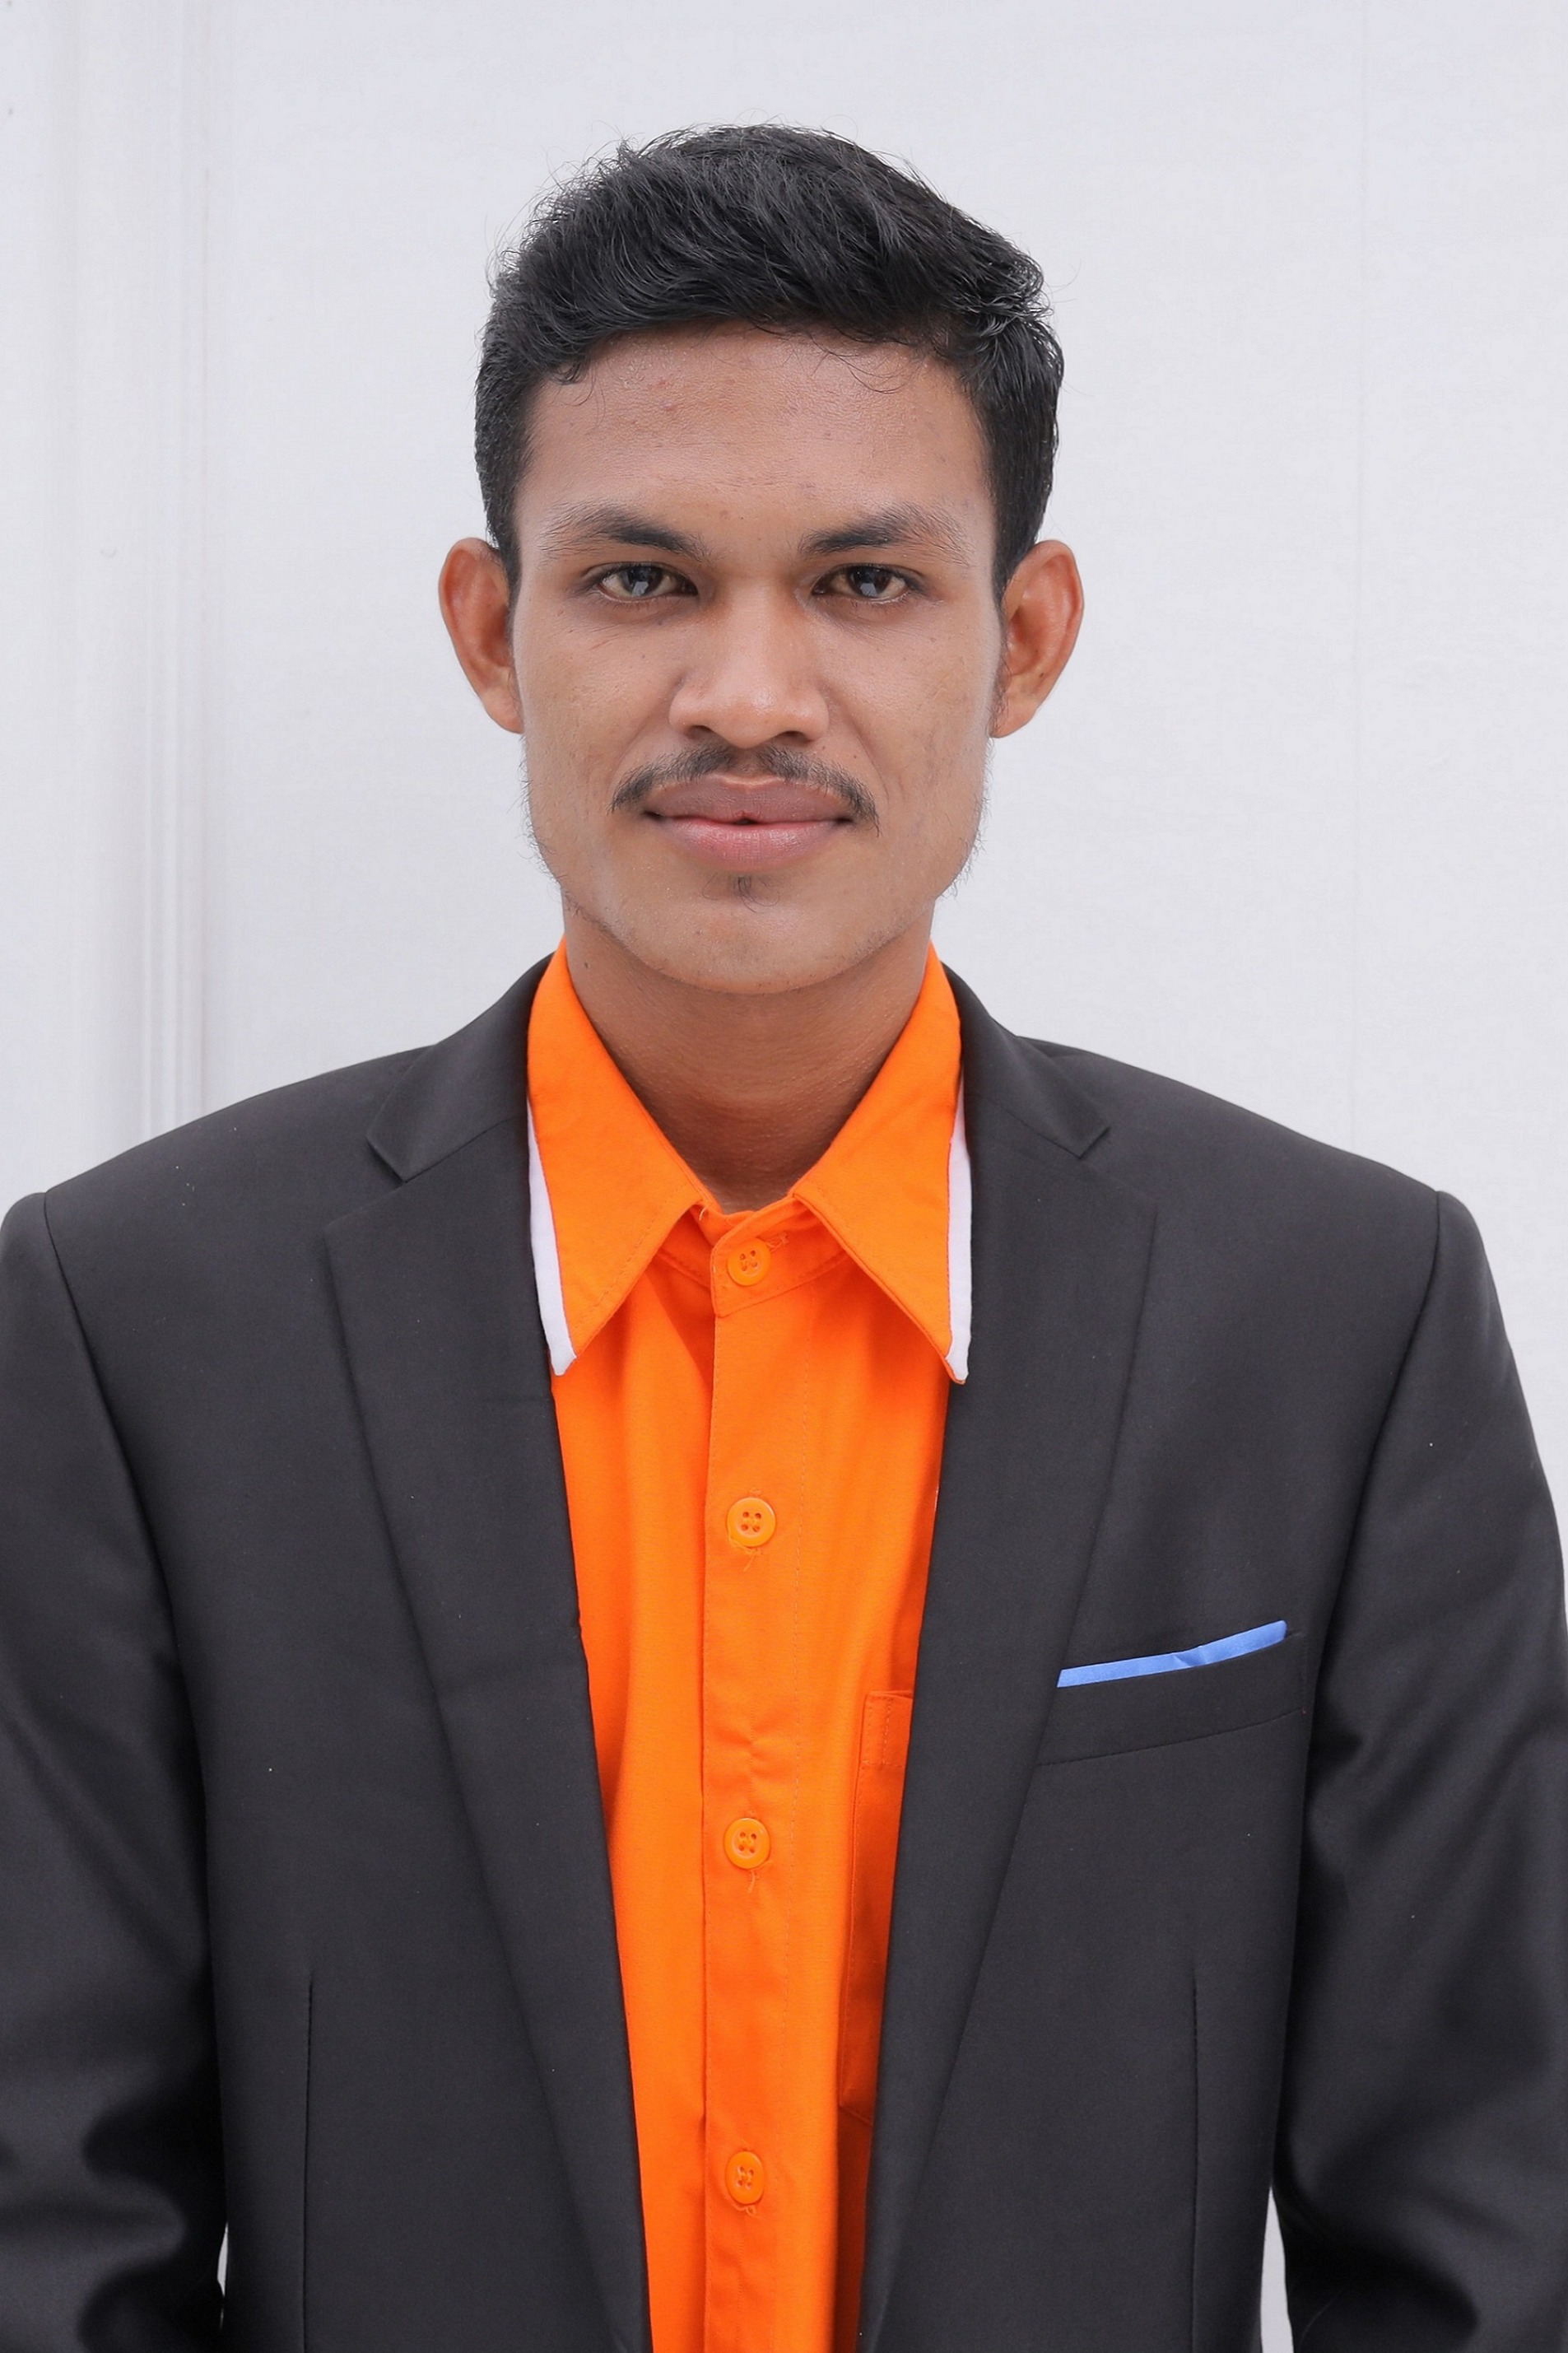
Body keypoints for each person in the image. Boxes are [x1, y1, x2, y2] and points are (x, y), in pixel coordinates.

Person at [1, 123, 1564, 2353]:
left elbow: (1487, 2234)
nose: (747, 695)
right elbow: (51, 2229)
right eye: (643, 579)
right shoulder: (138, 1328)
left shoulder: (1340, 1323)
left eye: (863, 583)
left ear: (1022, 638)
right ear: (493, 632)